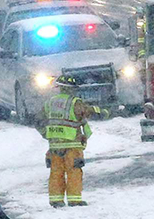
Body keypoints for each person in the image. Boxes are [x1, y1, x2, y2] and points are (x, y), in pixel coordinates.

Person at [38, 76, 108, 208]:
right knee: (74, 171)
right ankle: (74, 199)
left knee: (56, 172)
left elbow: (38, 120)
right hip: (72, 144)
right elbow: (86, 111)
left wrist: (46, 134)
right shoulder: (74, 102)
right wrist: (102, 112)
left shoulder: (50, 103)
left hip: (54, 146)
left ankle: (56, 200)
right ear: (70, 89)